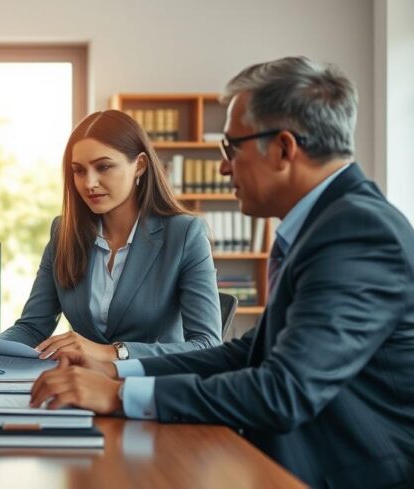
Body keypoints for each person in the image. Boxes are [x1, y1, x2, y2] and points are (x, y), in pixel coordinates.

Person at [29, 57, 414, 488]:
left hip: (342, 473)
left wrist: (119, 394)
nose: (223, 167)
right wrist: (117, 372)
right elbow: (249, 352)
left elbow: (282, 391)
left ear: (284, 148)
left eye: (231, 148)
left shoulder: (357, 233)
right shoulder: (326, 223)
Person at [0, 110, 222, 369]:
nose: (89, 183)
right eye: (79, 170)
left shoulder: (184, 234)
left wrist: (112, 352)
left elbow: (207, 346)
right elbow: (33, 328)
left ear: (140, 166)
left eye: (104, 167)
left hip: (153, 393)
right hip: (78, 391)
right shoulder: (64, 233)